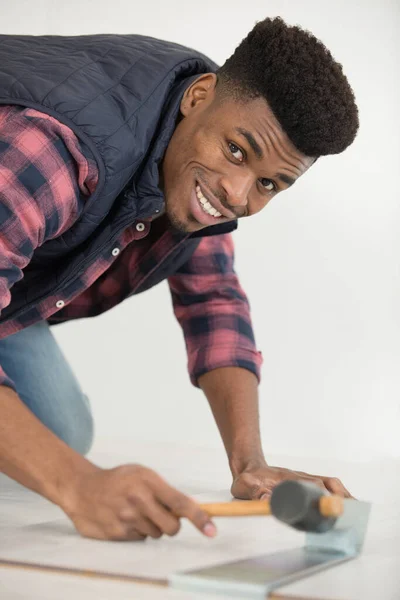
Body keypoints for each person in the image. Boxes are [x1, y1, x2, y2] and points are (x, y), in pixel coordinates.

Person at [0, 17, 358, 542]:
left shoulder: (196, 147)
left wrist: (250, 466)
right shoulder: (57, 144)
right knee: (54, 460)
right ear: (200, 96)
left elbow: (214, 301)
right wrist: (79, 487)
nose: (238, 194)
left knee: (61, 429)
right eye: (237, 152)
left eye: (269, 184)